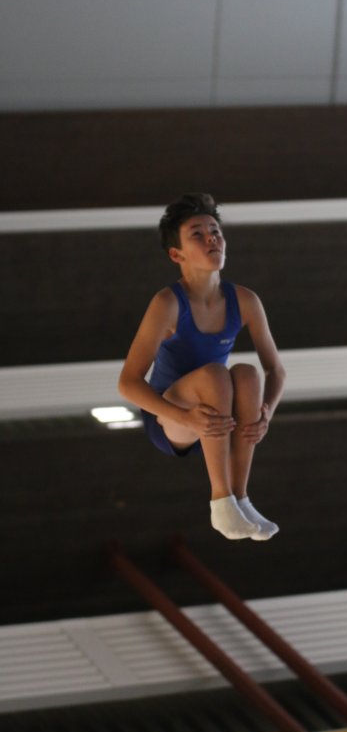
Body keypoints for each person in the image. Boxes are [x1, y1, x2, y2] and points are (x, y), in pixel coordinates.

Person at [118, 193, 286, 541]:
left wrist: (266, 412)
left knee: (247, 374)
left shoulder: (245, 300)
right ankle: (221, 501)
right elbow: (128, 383)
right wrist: (183, 417)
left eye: (216, 232)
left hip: (218, 420)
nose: (212, 239)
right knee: (215, 375)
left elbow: (276, 371)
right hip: (170, 419)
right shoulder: (167, 303)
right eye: (198, 234)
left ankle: (241, 498)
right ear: (176, 255)